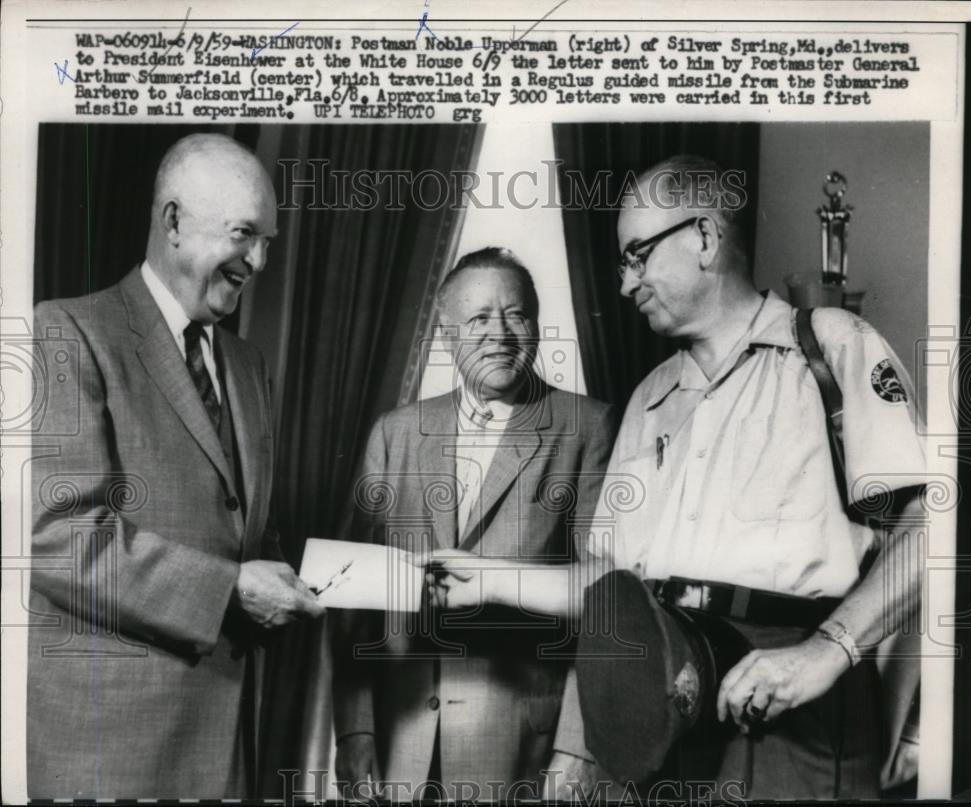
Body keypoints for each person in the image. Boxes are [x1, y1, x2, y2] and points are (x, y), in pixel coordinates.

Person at [430, 156, 925, 799]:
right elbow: (613, 586)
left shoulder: (830, 346)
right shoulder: (648, 399)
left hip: (794, 706)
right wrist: (492, 581)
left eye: (637, 255)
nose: (625, 283)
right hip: (664, 700)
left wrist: (828, 651)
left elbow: (930, 528)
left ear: (705, 237)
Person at [28, 133, 325, 800]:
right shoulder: (67, 332)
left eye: (269, 242)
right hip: (108, 754)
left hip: (223, 753)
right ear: (173, 223)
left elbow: (243, 526)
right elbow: (55, 537)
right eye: (245, 234)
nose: (260, 259)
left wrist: (289, 578)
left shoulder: (248, 368)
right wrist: (229, 589)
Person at [332, 247, 616, 801]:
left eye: (516, 314)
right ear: (447, 335)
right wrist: (355, 728)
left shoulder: (587, 427)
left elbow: (606, 599)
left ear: (535, 325)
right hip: (401, 737)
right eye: (480, 318)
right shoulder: (396, 433)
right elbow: (352, 601)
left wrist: (577, 747)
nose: (501, 333)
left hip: (522, 745)